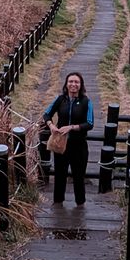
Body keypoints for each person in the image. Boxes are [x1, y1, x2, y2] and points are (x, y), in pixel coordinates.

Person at [41, 71, 94, 206]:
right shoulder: (60, 100)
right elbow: (46, 114)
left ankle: (80, 204)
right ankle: (58, 203)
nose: (73, 84)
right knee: (59, 175)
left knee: (78, 176)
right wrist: (51, 125)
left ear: (81, 85)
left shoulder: (86, 102)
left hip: (79, 145)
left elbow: (90, 124)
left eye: (76, 82)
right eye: (70, 81)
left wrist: (72, 127)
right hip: (61, 144)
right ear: (66, 84)